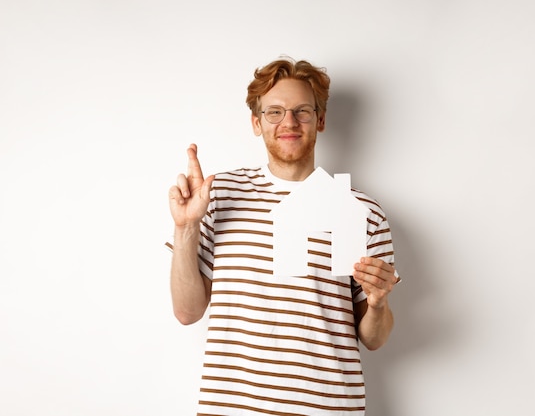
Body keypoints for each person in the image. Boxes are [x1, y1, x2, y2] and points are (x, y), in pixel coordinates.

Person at [168, 57, 400, 415]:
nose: (288, 122)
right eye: (274, 112)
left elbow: (374, 338)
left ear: (320, 120)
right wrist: (185, 228)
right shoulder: (219, 195)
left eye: (301, 111)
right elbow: (187, 312)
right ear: (256, 122)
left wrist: (379, 302)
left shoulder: (360, 211)